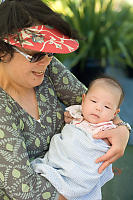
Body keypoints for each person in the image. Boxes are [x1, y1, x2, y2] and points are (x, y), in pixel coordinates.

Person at [0, 0, 130, 200]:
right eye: (35, 55)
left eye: (51, 51)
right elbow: (23, 189)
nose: (47, 60)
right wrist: (81, 189)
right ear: (2, 51)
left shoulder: (46, 65)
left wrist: (122, 129)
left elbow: (96, 101)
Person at [31, 76, 125, 200]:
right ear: (84, 99)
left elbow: (99, 155)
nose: (98, 108)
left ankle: (70, 186)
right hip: (59, 161)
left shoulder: (108, 129)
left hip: (82, 173)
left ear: (115, 113)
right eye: (94, 101)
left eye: (107, 107)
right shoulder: (76, 114)